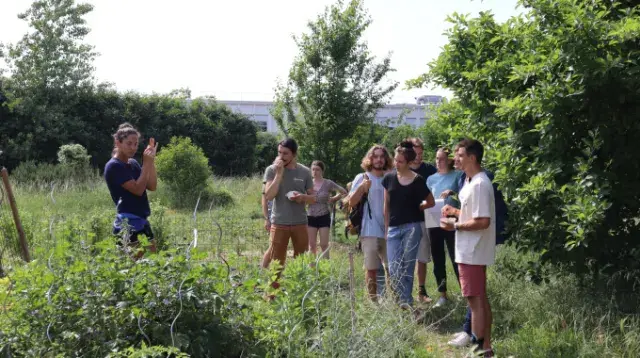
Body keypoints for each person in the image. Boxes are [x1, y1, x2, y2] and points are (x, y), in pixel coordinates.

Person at [444, 143, 509, 349]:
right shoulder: (471, 180)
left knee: (475, 302)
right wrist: (456, 213)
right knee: (479, 299)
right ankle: (486, 348)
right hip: (470, 249)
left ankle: (477, 349)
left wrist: (455, 225)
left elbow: (483, 221)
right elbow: (474, 213)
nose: (456, 159)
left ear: (472, 158)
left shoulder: (480, 183)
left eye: (460, 155)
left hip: (473, 250)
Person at [383, 141, 435, 307]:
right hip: (393, 228)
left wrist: (421, 206)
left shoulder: (418, 180)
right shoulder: (389, 178)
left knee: (407, 266)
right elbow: (386, 206)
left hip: (412, 228)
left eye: (400, 161)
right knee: (394, 268)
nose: (396, 164)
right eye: (395, 160)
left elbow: (431, 201)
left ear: (409, 163)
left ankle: (405, 303)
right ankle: (404, 300)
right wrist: (386, 229)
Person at [262, 138, 315, 277]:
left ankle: (299, 295)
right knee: (276, 265)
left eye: (285, 153)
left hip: (300, 224)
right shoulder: (272, 170)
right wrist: (279, 174)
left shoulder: (305, 171)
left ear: (294, 154)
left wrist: (302, 197)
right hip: (279, 224)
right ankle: (271, 297)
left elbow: (313, 198)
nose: (281, 156)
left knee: (300, 263)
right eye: (279, 152)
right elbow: (269, 195)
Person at [104, 123, 158, 258]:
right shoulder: (114, 166)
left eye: (135, 144)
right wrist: (145, 163)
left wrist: (151, 162)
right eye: (129, 143)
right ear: (118, 142)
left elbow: (152, 186)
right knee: (134, 264)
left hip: (142, 220)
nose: (133, 148)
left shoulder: (133, 163)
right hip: (127, 223)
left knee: (153, 260)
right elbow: (138, 190)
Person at [348, 144, 394, 301]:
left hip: (390, 228)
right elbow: (351, 203)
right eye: (376, 156)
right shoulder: (362, 177)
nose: (379, 159)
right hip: (369, 229)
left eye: (382, 156)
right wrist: (362, 188)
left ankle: (393, 300)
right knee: (371, 268)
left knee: (391, 268)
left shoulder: (391, 177)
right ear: (370, 159)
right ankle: (372, 301)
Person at [427, 147, 460, 308]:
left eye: (441, 159)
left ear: (449, 160)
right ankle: (442, 294)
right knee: (438, 258)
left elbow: (464, 195)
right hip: (434, 220)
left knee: (456, 257)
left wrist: (452, 192)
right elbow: (427, 199)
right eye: (436, 158)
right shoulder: (431, 179)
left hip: (453, 220)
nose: (438, 162)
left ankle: (465, 293)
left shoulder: (457, 175)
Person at [408, 137, 437, 303]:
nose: (418, 157)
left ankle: (421, 291)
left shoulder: (429, 169)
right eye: (415, 153)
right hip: (405, 219)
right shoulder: (402, 169)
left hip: (425, 218)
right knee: (407, 257)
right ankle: (406, 292)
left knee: (423, 256)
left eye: (421, 153)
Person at [307, 160, 347, 259]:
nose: (315, 172)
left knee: (324, 244)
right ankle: (311, 270)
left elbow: (343, 192)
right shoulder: (308, 183)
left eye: (317, 170)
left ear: (322, 171)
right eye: (313, 169)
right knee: (311, 245)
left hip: (324, 216)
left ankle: (325, 270)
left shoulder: (328, 183)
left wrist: (334, 199)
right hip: (310, 216)